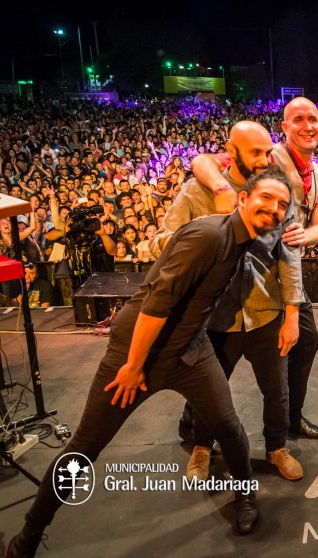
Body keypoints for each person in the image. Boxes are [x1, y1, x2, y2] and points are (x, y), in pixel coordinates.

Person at [5, 171, 294, 557]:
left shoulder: (244, 240)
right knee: (86, 447)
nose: (274, 210)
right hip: (138, 352)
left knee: (227, 424)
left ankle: (244, 497)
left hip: (191, 350)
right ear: (242, 199)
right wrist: (133, 366)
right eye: (268, 199)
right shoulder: (209, 235)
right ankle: (26, 537)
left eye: (282, 205)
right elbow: (157, 305)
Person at [156, 121, 305, 482]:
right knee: (208, 391)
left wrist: (292, 315)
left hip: (265, 312)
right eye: (256, 152)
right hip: (213, 318)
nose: (265, 159)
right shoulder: (198, 191)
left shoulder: (275, 192)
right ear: (231, 149)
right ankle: (202, 448)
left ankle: (276, 448)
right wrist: (212, 229)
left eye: (268, 151)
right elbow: (165, 238)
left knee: (277, 390)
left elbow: (289, 258)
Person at [192, 97, 318, 440]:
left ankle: (290, 418)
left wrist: (307, 234)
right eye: (297, 119)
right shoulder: (269, 157)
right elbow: (203, 161)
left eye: (312, 119)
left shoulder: (317, 173)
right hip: (249, 272)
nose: (307, 126)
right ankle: (194, 427)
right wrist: (223, 188)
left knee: (305, 342)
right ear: (283, 128)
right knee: (220, 355)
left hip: (284, 267)